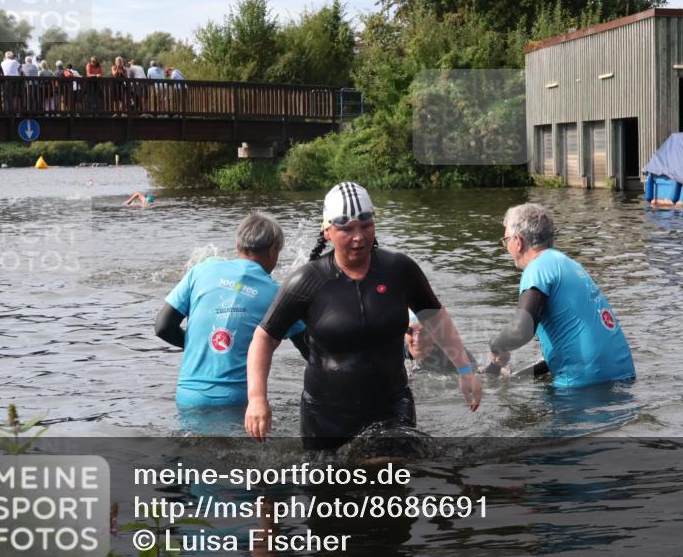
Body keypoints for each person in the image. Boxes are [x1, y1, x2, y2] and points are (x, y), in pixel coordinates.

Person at [244, 182, 482, 448]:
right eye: (346, 229)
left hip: (392, 407)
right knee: (332, 486)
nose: (358, 237)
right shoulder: (307, 280)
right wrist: (257, 398)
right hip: (325, 415)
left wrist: (464, 369)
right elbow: (264, 338)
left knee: (392, 479)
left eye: (366, 226)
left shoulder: (399, 270)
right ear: (327, 231)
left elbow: (435, 316)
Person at [155, 212, 308, 415]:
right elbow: (310, 349)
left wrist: (203, 347)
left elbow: (163, 327)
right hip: (236, 399)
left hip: (189, 395)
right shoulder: (277, 294)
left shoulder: (199, 272)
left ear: (238, 246)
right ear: (273, 251)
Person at [488, 203, 635, 388]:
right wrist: (516, 377)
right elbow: (566, 347)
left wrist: (495, 345)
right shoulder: (569, 265)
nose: (506, 246)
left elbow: (521, 331)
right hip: (623, 377)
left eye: (505, 240)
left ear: (518, 241)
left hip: (583, 386)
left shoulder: (537, 268)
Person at [405, 310, 477, 374]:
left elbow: (473, 372)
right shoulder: (397, 353)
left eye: (424, 332)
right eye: (409, 331)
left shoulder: (452, 350)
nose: (417, 339)